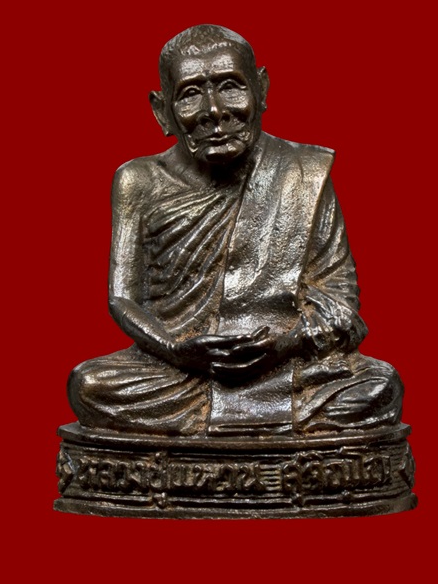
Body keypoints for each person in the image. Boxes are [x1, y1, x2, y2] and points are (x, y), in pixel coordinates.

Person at [68, 25, 403, 436]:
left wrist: (283, 345)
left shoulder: (302, 173)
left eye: (230, 86)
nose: (214, 111)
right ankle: (257, 425)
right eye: (190, 93)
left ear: (261, 89)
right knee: (89, 385)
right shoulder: (139, 181)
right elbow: (122, 298)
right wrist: (176, 349)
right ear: (161, 110)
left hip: (283, 366)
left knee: (379, 386)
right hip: (181, 370)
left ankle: (222, 423)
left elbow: (340, 302)